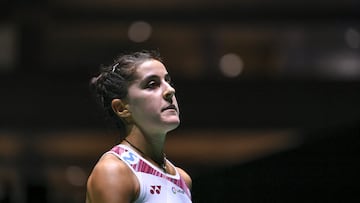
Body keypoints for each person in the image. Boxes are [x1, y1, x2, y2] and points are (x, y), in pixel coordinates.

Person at [86, 50, 192, 203]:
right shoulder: (115, 171)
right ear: (122, 108)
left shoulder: (183, 179)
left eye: (168, 81)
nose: (170, 90)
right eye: (152, 84)